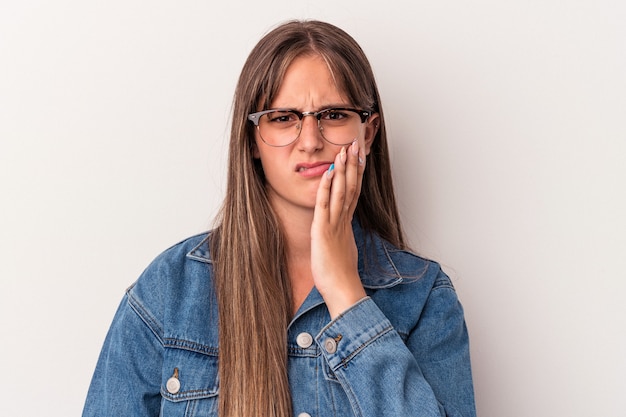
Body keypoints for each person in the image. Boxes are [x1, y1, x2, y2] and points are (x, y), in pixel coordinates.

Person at [82, 19, 476, 417]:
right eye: (283, 117)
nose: (310, 141)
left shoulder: (423, 297)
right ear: (252, 138)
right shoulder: (169, 290)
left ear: (368, 133)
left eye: (334, 115)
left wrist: (345, 293)